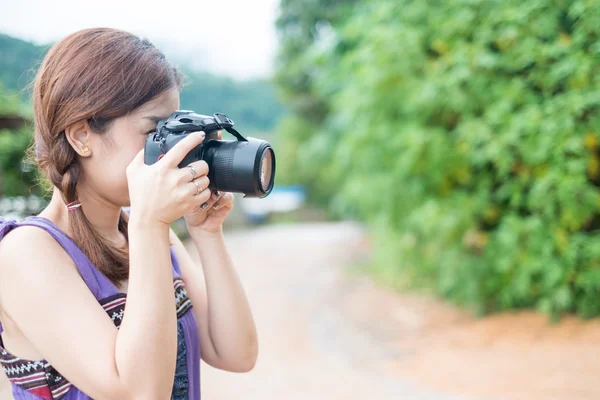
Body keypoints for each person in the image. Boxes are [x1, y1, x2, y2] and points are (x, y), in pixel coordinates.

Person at [0, 28, 258, 400]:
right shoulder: (25, 253)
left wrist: (207, 233)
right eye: (156, 131)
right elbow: (138, 392)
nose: (171, 149)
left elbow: (236, 353)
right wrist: (149, 225)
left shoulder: (147, 235)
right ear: (81, 136)